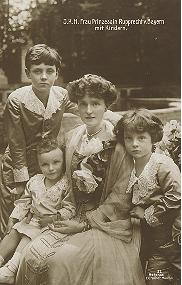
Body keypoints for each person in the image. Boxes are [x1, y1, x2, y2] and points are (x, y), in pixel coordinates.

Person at [16, 74, 145, 285]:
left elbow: (121, 196)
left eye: (95, 104)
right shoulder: (72, 137)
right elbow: (60, 178)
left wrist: (84, 223)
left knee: (59, 260)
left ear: (106, 106)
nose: (88, 110)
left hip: (106, 223)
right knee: (32, 253)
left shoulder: (119, 144)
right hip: (70, 212)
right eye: (83, 104)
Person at [0, 44, 79, 238]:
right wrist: (21, 181)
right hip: (17, 165)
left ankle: (28, 258)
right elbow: (16, 143)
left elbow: (84, 109)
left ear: (56, 73)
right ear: (28, 73)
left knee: (40, 214)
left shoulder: (61, 95)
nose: (43, 76)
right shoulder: (16, 100)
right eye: (37, 71)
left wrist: (111, 117)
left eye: (49, 71)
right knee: (15, 212)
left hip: (47, 165)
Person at [114, 109, 181, 285]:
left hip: (166, 237)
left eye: (141, 138)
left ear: (153, 138)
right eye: (129, 138)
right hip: (137, 237)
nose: (134, 144)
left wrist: (147, 213)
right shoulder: (126, 165)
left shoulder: (161, 164)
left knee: (161, 277)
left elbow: (176, 196)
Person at [0, 136, 75, 284]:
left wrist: (54, 218)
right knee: (13, 231)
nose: (51, 168)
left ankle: (11, 269)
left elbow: (70, 208)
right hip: (32, 220)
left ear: (63, 162)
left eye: (56, 162)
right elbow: (24, 202)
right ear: (39, 165)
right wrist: (13, 218)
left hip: (50, 225)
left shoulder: (66, 183)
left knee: (28, 235)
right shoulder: (35, 181)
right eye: (45, 164)